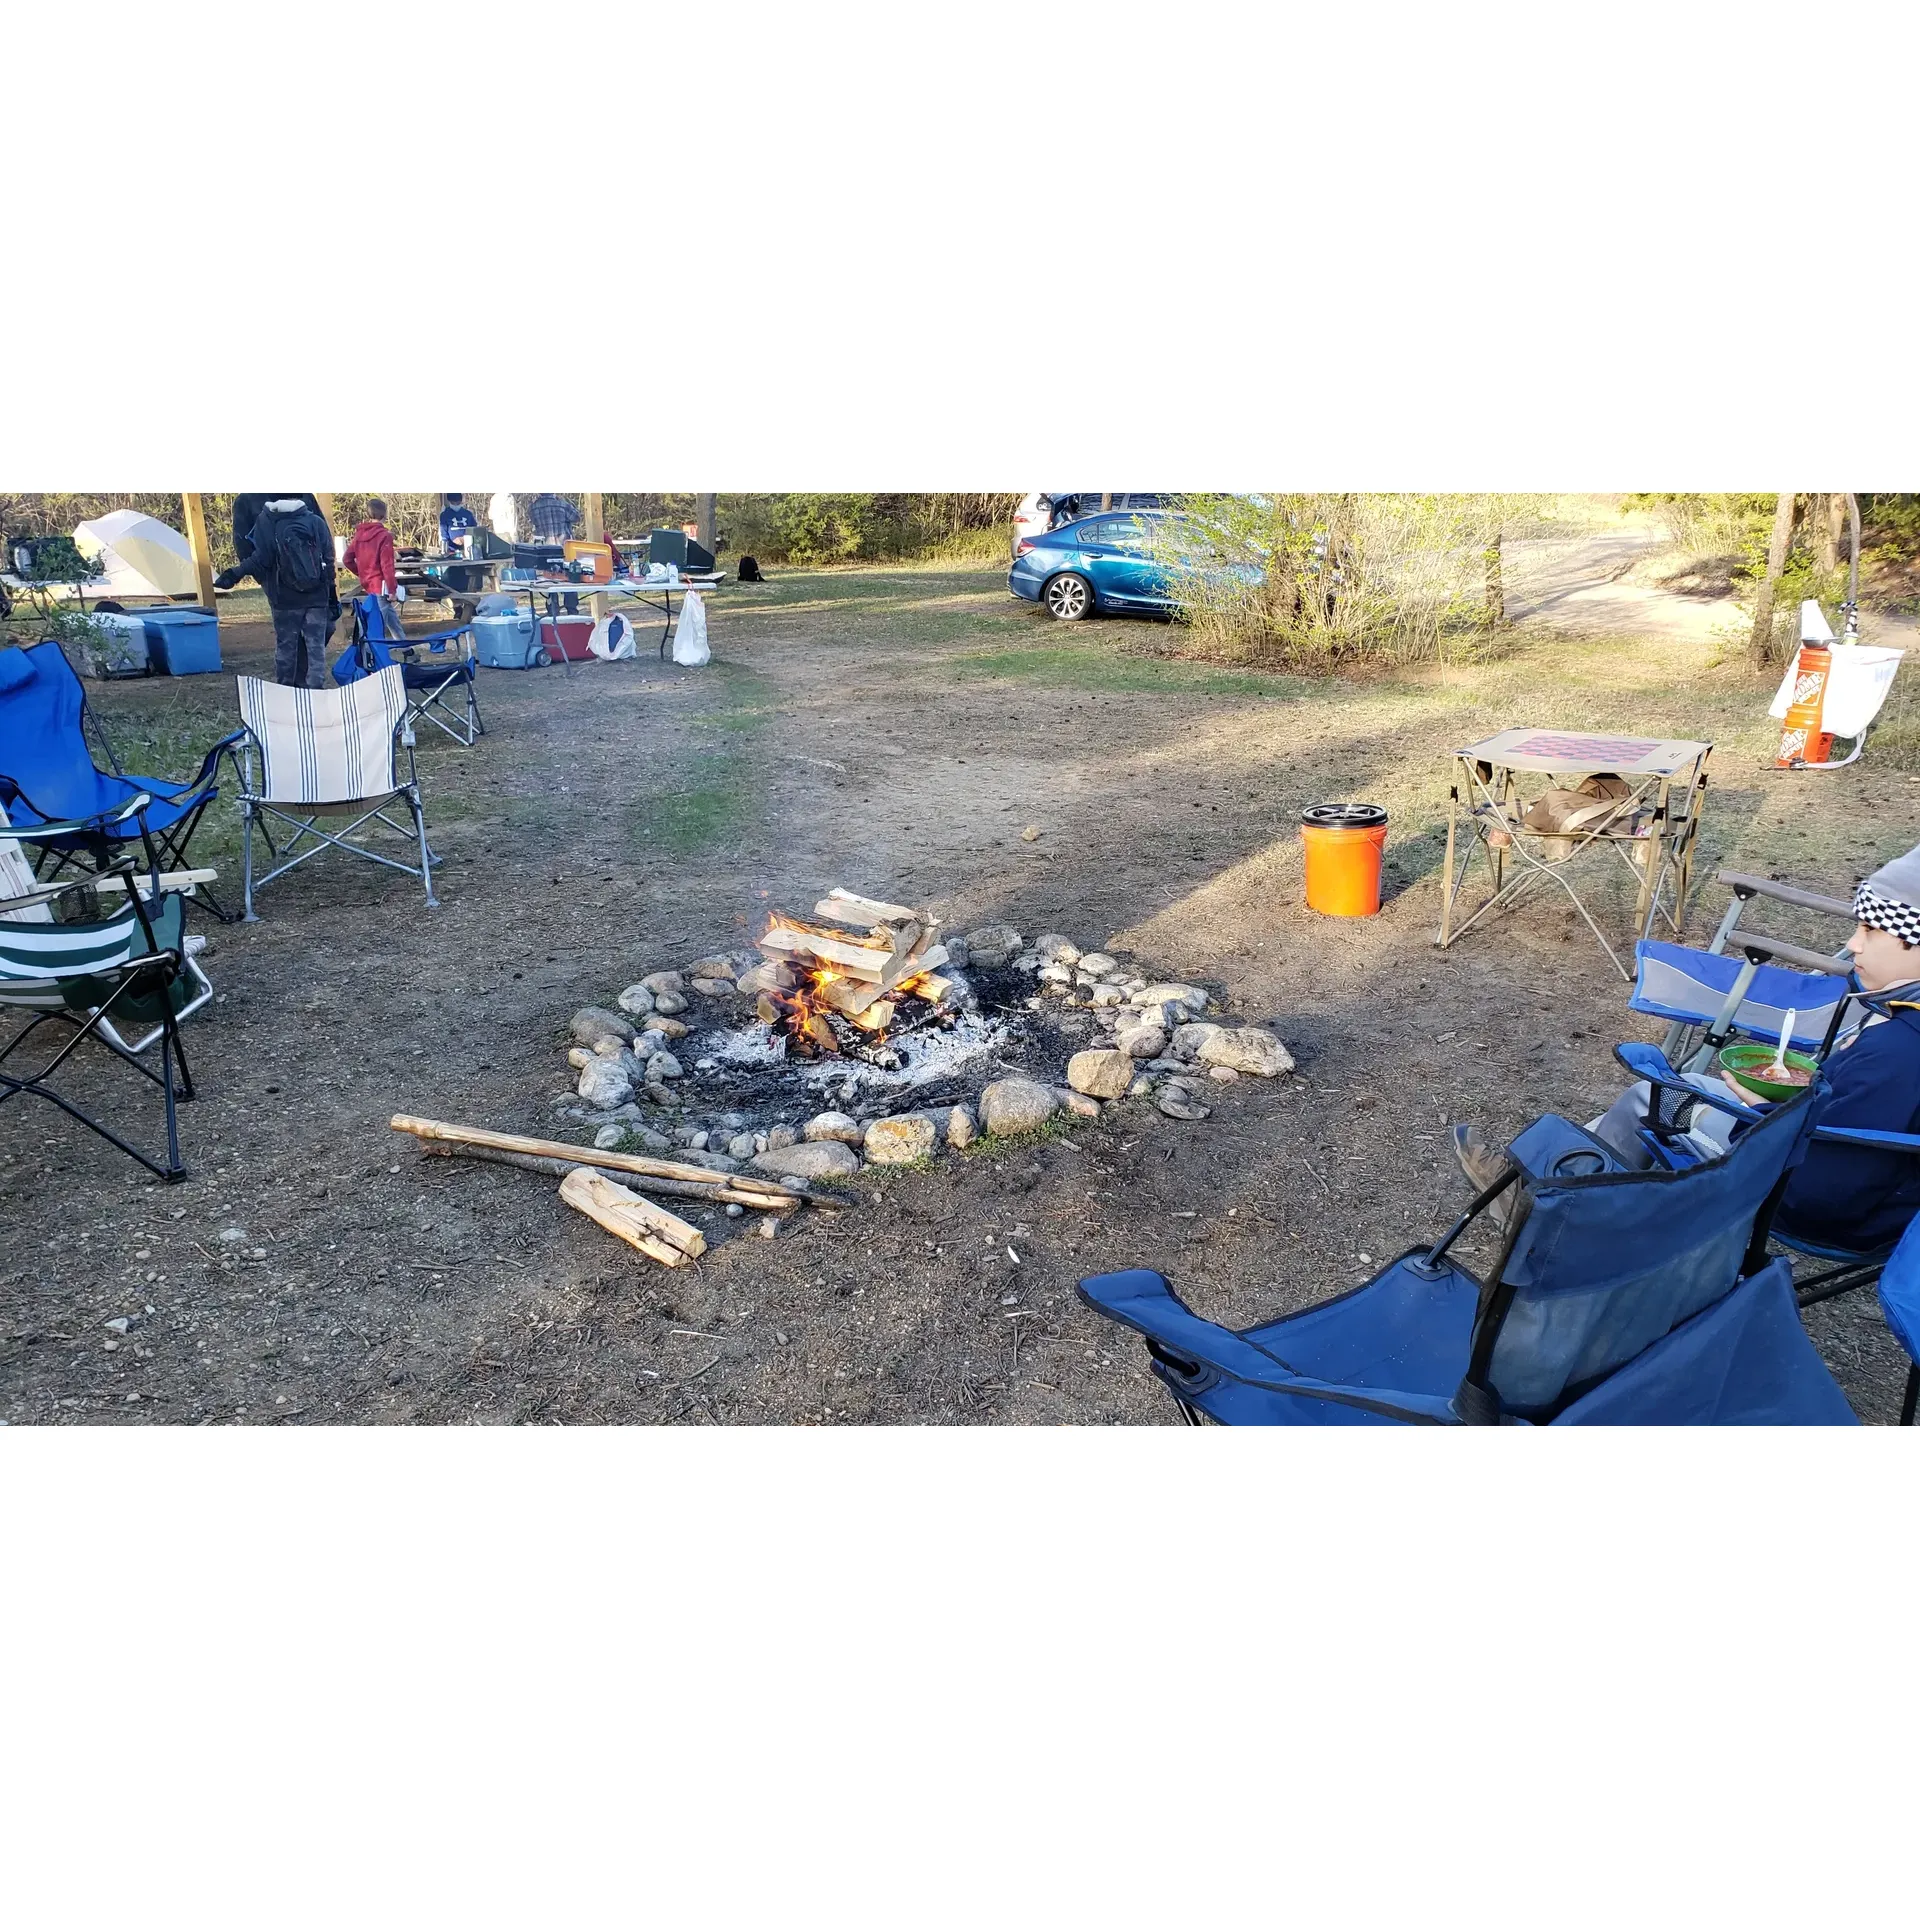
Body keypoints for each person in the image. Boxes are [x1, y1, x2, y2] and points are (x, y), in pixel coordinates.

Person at [1454, 843, 1920, 1253]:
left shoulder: (1895, 1053)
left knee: (1651, 1096)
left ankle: (1544, 1211)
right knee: (1691, 1083)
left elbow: (1816, 1192)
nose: (1852, 942)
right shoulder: (1898, 1033)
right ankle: (1544, 1184)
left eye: (1871, 930)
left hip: (1806, 1196)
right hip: (1887, 1204)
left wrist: (1772, 1115)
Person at [213, 496, 340, 687]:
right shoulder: (314, 520)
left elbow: (259, 557)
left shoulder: (265, 520)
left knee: (286, 647)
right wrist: (330, 594)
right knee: (316, 650)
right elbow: (328, 558)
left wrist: (235, 574)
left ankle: (286, 691)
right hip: (316, 595)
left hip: (283, 596)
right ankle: (315, 690)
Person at [341, 499, 408, 642]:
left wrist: (362, 573)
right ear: (385, 514)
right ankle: (371, 656)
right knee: (377, 627)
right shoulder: (384, 536)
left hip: (369, 583)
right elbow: (387, 565)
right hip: (382, 585)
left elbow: (347, 559)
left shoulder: (359, 534)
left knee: (392, 619)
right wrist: (392, 590)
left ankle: (407, 650)